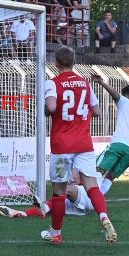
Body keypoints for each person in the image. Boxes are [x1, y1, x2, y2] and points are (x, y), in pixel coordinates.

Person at [43, 46, 117, 245]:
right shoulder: (85, 83)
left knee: (59, 190)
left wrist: (47, 110)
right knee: (92, 185)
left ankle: (56, 233)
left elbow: (50, 107)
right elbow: (98, 111)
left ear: (56, 63)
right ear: (73, 61)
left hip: (61, 146)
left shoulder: (52, 83)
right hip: (84, 143)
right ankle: (103, 216)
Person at [92, 76, 129, 190]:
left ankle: (89, 200)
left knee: (98, 170)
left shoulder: (124, 101)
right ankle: (99, 198)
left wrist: (101, 82)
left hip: (118, 144)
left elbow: (114, 94)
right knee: (110, 176)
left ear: (124, 94)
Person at [0, 168, 113, 218]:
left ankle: (44, 209)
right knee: (53, 205)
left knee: (65, 189)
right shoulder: (99, 181)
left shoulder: (93, 173)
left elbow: (107, 179)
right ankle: (23, 214)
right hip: (80, 206)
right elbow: (109, 180)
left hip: (84, 198)